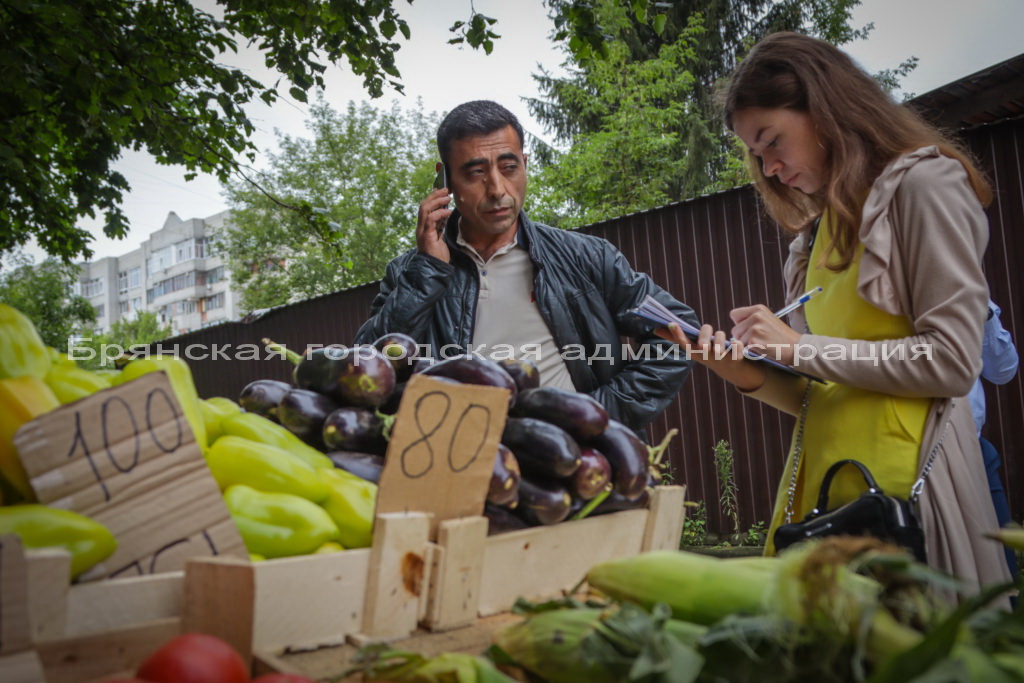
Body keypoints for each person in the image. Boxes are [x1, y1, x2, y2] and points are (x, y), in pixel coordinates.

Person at [658, 32, 1010, 591]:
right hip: (826, 499)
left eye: (771, 141)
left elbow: (952, 362)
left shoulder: (923, 185)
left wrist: (798, 348)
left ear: (824, 108)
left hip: (908, 505)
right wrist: (741, 370)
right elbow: (822, 397)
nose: (769, 168)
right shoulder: (812, 240)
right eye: (756, 154)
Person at [354, 100, 698, 433]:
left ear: (525, 164)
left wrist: (597, 414)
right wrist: (428, 271)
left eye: (509, 168)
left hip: (574, 462)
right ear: (444, 180)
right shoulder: (411, 273)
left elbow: (679, 333)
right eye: (475, 173)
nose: (497, 189)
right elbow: (367, 370)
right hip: (460, 466)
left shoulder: (585, 257)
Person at [970, 300, 1019, 576]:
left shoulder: (969, 289)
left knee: (1001, 564)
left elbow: (1003, 372)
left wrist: (986, 315)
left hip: (976, 446)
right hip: (923, 447)